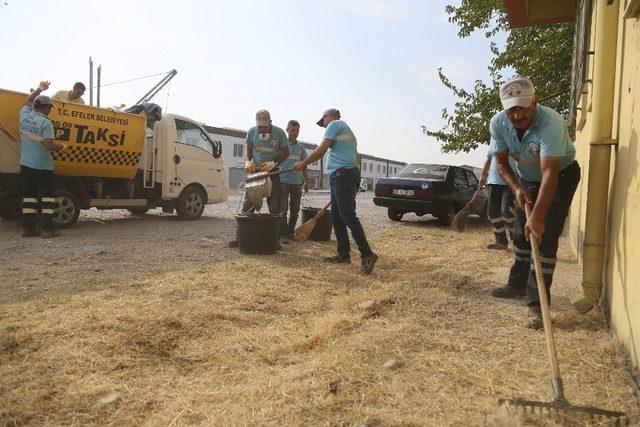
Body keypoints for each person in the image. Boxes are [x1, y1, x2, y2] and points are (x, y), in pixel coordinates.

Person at [489, 76, 580, 329]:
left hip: (559, 177)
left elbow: (549, 173)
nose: (517, 115)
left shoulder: (551, 122)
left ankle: (537, 306)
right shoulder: (497, 123)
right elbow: (501, 163)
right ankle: (515, 285)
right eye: (511, 109)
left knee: (543, 235)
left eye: (522, 107)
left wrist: (538, 216)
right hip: (527, 179)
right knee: (520, 234)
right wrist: (517, 188)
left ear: (534, 101)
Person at [293, 108, 378, 275]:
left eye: (323, 122)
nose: (324, 127)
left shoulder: (335, 124)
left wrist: (303, 164)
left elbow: (320, 150)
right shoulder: (348, 133)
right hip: (343, 175)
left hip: (343, 175)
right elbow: (357, 156)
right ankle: (343, 254)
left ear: (329, 117)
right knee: (336, 217)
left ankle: (367, 254)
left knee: (347, 216)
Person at [228, 110, 289, 248]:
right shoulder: (252, 132)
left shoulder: (279, 133)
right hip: (256, 173)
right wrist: (248, 162)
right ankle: (240, 237)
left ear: (270, 123)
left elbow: (286, 153)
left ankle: (275, 240)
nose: (262, 129)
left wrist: (274, 163)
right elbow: (249, 151)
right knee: (248, 205)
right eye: (260, 126)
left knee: (275, 206)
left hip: (272, 173)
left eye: (265, 126)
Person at [19, 81, 68, 238]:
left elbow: (28, 101)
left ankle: (28, 229)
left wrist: (39, 89)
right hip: (43, 166)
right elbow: (48, 145)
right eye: (50, 108)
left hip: (26, 164)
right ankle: (48, 230)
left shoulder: (24, 115)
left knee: (29, 198)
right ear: (46, 108)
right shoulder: (45, 123)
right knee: (47, 198)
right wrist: (61, 147)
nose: (50, 111)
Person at [480, 148, 516, 250]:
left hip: (509, 182)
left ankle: (517, 241)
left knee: (506, 211)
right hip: (493, 182)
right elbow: (488, 160)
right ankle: (501, 242)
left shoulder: (513, 138)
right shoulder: (494, 142)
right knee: (493, 213)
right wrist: (482, 176)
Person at [278, 120, 309, 240]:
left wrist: (306, 181)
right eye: (292, 130)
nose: (295, 133)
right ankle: (283, 234)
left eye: (297, 130)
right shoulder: (281, 146)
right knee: (283, 210)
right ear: (287, 130)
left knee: (295, 210)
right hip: (283, 182)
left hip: (297, 183)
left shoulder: (301, 147)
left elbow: (305, 166)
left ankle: (290, 233)